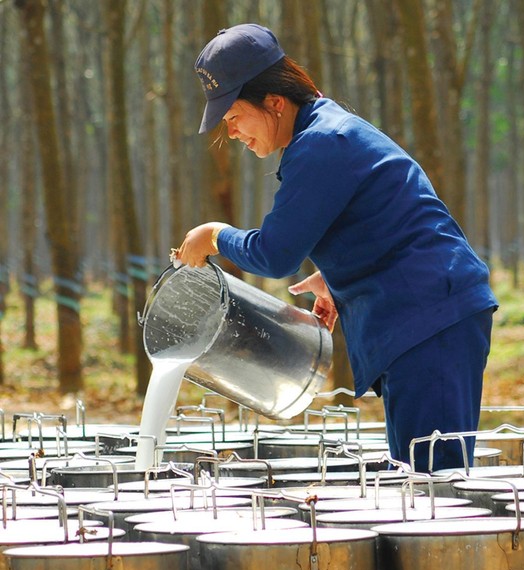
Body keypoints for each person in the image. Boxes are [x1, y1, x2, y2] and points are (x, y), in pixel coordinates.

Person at [176, 24, 497, 473]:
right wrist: (335, 277)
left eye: (233, 118)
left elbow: (275, 254)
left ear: (274, 102)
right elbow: (384, 216)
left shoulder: (323, 143)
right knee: (415, 478)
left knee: (430, 490)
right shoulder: (326, 134)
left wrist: (213, 235)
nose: (231, 134)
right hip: (426, 315)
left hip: (430, 319)